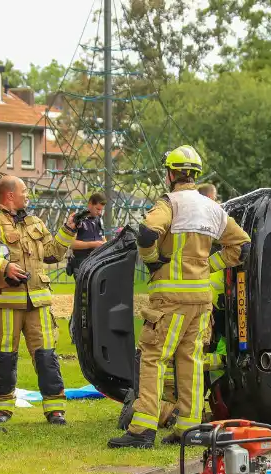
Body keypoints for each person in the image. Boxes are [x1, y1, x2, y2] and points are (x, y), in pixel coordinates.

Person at [109, 145, 251, 449]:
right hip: (200, 299)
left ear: (171, 174)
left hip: (170, 298)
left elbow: (146, 234)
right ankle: (190, 429)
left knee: (154, 358)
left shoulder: (169, 203)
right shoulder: (213, 208)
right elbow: (242, 246)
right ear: (195, 175)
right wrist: (207, 265)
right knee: (191, 360)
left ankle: (142, 430)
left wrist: (152, 261)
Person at [0, 176, 77, 425]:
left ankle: (55, 408)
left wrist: (69, 229)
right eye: (24, 191)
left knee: (46, 355)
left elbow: (53, 253)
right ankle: (2, 409)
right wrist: (4, 267)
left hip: (38, 303)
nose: (28, 196)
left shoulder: (35, 222)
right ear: (10, 195)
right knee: (6, 357)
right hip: (7, 303)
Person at [66, 192, 107, 276]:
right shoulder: (77, 219)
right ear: (90, 204)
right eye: (98, 209)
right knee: (84, 288)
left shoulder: (99, 219)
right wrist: (94, 244)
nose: (100, 212)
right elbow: (71, 244)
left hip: (97, 262)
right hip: (82, 264)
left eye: (101, 209)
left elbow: (103, 239)